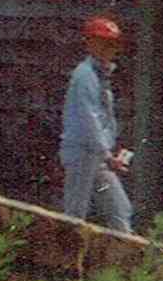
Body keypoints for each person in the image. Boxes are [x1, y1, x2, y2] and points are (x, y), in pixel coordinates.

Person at [57, 14, 134, 234]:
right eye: (102, 43)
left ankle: (126, 261)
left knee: (120, 209)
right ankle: (66, 263)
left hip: (98, 156)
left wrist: (108, 151)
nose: (108, 49)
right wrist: (107, 154)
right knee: (75, 214)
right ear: (90, 43)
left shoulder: (101, 75)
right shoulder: (85, 76)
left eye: (112, 44)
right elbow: (89, 119)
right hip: (83, 153)